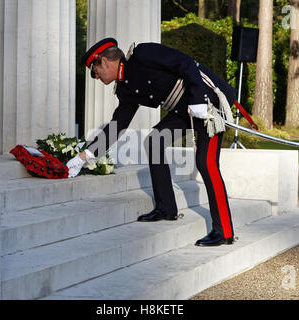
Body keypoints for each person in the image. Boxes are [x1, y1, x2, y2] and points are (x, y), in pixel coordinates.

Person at [66, 38, 235, 246]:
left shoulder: (144, 54)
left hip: (208, 101)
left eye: (95, 70)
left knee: (206, 163)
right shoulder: (125, 87)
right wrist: (83, 157)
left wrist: (198, 99)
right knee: (155, 141)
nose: (96, 77)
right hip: (185, 110)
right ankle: (166, 208)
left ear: (104, 62)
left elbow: (186, 63)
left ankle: (224, 231)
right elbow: (118, 125)